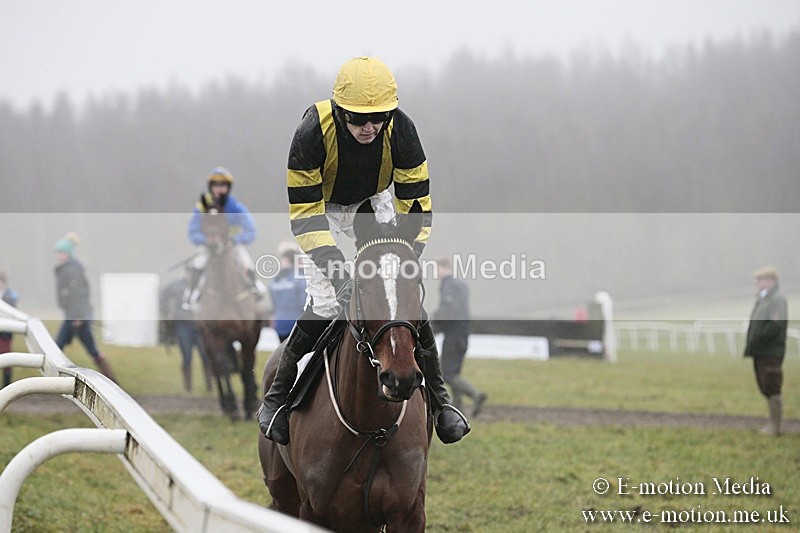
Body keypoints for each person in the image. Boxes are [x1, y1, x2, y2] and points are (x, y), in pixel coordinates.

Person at [258, 56, 470, 445]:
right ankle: (276, 400)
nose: (369, 127)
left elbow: (417, 210)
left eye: (377, 118)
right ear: (340, 112)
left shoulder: (402, 131)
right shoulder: (310, 134)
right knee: (325, 303)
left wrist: (402, 265)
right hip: (321, 211)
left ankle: (441, 403)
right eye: (357, 119)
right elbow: (305, 217)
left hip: (375, 199)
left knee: (398, 297)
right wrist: (340, 276)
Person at [185, 166, 265, 308]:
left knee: (246, 261)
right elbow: (193, 231)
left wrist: (235, 240)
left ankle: (255, 287)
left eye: (223, 185)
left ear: (228, 187)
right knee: (198, 262)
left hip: (231, 246)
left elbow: (251, 230)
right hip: (208, 246)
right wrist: (205, 241)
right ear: (211, 187)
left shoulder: (236, 207)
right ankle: (191, 294)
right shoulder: (202, 207)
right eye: (216, 185)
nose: (219, 189)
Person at [53, 236, 117, 382]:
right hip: (73, 315)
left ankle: (112, 381)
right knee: (87, 350)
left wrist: (79, 317)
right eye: (57, 253)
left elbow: (79, 294)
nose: (58, 256)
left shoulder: (71, 270)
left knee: (57, 347)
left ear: (68, 253)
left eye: (61, 252)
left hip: (77, 316)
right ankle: (112, 379)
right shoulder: (66, 269)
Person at [433, 256, 487, 417]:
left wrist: (435, 324)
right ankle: (457, 407)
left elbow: (448, 308)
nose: (436, 274)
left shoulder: (448, 285)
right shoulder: (461, 285)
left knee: (447, 374)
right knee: (453, 373)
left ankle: (475, 395)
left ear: (443, 268)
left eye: (437, 269)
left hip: (453, 335)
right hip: (463, 335)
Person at [744, 266, 788, 436]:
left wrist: (760, 338)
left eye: (760, 279)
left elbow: (776, 324)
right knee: (765, 387)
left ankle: (775, 427)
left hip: (770, 351)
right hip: (761, 352)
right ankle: (772, 424)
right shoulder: (764, 300)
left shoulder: (777, 299)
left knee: (772, 386)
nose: (757, 283)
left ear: (770, 281)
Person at [160, 268, 212, 392]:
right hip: (182, 325)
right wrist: (166, 313)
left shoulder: (201, 286)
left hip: (199, 325)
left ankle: (209, 384)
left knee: (205, 355)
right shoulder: (177, 285)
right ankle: (188, 387)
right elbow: (163, 296)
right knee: (187, 356)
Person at [267, 242, 307, 343]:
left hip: (279, 323)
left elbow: (273, 302)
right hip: (296, 322)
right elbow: (303, 302)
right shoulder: (300, 278)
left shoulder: (275, 279)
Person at [0, 271, 20, 389]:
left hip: (5, 333)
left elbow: (13, 313)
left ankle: (7, 385)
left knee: (6, 358)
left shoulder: (9, 296)